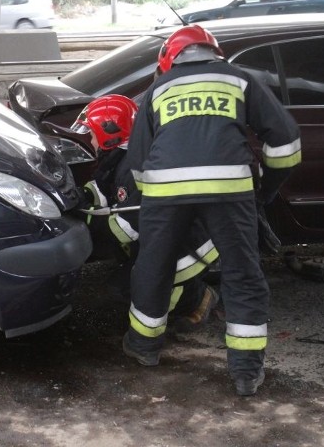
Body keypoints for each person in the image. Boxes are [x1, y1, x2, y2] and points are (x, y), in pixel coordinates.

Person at [123, 24, 302, 396]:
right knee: (242, 275)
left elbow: (138, 162)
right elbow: (285, 145)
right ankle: (246, 373)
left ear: (168, 59)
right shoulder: (241, 80)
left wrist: (153, 199)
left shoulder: (158, 89)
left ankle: (143, 348)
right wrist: (263, 190)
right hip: (229, 191)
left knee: (154, 266)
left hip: (165, 192)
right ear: (214, 52)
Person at [72, 94, 220, 333]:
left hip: (188, 245)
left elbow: (126, 226)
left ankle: (198, 298)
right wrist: (80, 196)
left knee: (130, 287)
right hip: (173, 236)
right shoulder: (125, 154)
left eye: (92, 132)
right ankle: (179, 287)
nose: (90, 138)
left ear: (109, 132)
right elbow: (103, 189)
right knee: (131, 273)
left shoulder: (134, 167)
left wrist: (85, 222)